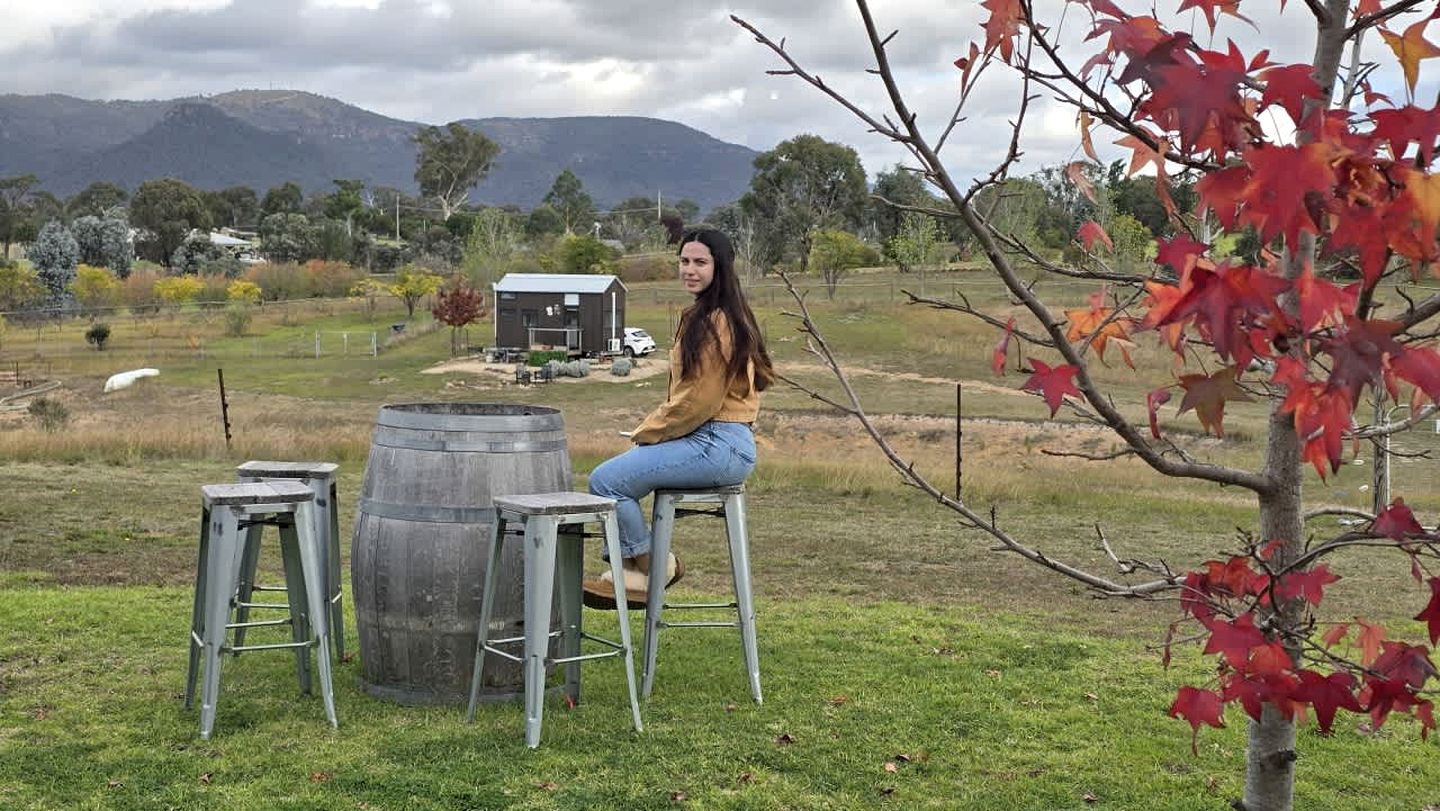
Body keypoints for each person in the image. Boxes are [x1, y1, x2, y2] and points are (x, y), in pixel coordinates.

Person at [582, 227, 774, 609]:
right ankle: (634, 572)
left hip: (716, 442)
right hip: (719, 441)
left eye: (700, 262)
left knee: (606, 482)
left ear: (720, 267)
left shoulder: (715, 322)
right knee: (616, 478)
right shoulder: (723, 315)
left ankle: (655, 568)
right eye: (684, 261)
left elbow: (700, 400)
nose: (690, 269)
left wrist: (648, 432)